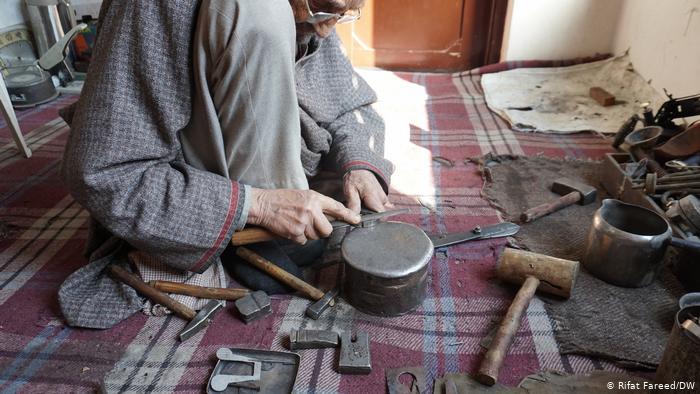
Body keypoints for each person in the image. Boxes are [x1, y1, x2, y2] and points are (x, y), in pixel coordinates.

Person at [57, 0, 394, 329]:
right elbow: (104, 173)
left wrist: (359, 162)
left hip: (242, 143)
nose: (324, 28)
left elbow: (346, 101)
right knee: (259, 11)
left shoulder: (313, 13)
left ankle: (276, 221)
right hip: (196, 170)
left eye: (348, 13)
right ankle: (255, 237)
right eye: (322, 9)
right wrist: (256, 205)